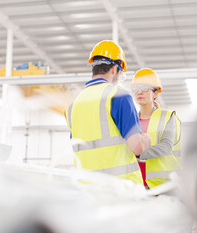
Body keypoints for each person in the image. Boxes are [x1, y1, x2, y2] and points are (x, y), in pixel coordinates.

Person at [65, 40, 151, 184]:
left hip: (87, 190)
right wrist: (147, 139)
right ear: (114, 69)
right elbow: (137, 147)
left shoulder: (73, 105)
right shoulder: (118, 95)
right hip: (120, 190)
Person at [130, 68, 182, 189]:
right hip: (138, 185)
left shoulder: (168, 117)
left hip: (164, 185)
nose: (139, 92)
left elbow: (166, 146)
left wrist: (138, 153)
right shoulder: (132, 121)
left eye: (144, 88)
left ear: (155, 93)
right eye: (136, 89)